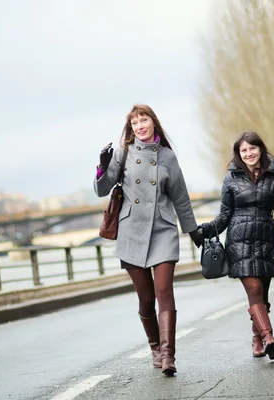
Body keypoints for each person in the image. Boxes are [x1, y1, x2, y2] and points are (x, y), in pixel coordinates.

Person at [93, 104, 202, 376]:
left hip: (163, 229)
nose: (140, 126)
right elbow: (102, 189)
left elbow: (180, 196)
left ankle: (168, 356)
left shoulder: (167, 157)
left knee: (164, 290)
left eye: (144, 120)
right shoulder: (123, 153)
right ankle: (155, 346)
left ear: (153, 122)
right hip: (131, 232)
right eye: (134, 123)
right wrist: (102, 167)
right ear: (130, 128)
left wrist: (192, 230)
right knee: (146, 297)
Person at [198, 131, 274, 360]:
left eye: (252, 148)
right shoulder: (231, 178)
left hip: (266, 240)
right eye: (244, 150)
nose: (248, 153)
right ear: (239, 154)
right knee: (254, 289)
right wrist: (204, 230)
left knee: (262, 293)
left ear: (260, 149)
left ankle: (257, 338)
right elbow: (223, 216)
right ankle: (269, 337)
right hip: (239, 242)